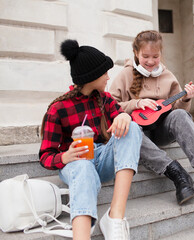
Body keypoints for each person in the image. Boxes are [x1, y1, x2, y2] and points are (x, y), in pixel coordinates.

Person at [109, 30, 194, 208]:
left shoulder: (168, 76)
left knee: (181, 115)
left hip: (160, 131)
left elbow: (176, 111)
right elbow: (110, 107)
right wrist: (135, 104)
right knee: (130, 128)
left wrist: (185, 99)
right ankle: (178, 175)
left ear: (161, 54)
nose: (151, 61)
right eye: (145, 56)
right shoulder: (125, 75)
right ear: (136, 53)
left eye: (155, 56)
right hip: (138, 134)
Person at [39, 39, 142, 240]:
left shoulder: (105, 99)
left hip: (101, 157)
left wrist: (124, 116)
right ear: (91, 76)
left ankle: (115, 218)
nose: (108, 76)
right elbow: (45, 156)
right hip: (76, 163)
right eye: (104, 72)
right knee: (83, 167)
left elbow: (121, 119)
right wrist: (65, 157)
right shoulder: (58, 109)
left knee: (133, 127)